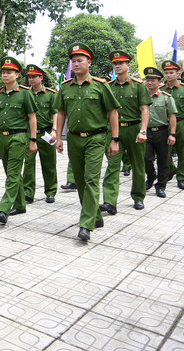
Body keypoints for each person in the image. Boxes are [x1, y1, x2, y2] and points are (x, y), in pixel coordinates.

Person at [55, 43, 120, 242]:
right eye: (73, 61)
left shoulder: (101, 86)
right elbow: (61, 113)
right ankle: (96, 216)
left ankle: (86, 225)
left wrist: (115, 139)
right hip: (74, 139)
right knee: (81, 181)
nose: (76, 64)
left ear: (89, 62)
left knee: (91, 179)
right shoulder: (66, 87)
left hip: (96, 138)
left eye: (80, 60)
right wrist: (58, 137)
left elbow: (112, 112)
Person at [0, 57, 38, 224]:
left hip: (19, 137)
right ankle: (20, 204)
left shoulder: (25, 94)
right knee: (11, 173)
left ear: (17, 74)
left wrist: (33, 140)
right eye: (3, 72)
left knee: (12, 174)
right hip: (2, 137)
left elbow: (32, 118)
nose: (5, 75)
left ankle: (4, 208)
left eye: (9, 72)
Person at [101, 50, 151, 213]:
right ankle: (109, 201)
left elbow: (144, 109)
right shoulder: (108, 87)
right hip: (114, 132)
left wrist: (143, 130)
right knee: (113, 165)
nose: (117, 66)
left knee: (138, 164)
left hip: (134, 129)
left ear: (128, 65)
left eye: (121, 63)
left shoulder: (138, 86)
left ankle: (138, 196)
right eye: (115, 63)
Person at [23, 64, 59, 204]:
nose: (31, 80)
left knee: (49, 164)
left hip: (46, 133)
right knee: (29, 165)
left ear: (41, 77)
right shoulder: (25, 93)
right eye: (29, 77)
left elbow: (55, 113)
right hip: (29, 134)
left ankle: (50, 191)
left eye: (34, 77)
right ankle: (28, 193)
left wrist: (54, 131)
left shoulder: (50, 94)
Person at [161, 61, 184, 190]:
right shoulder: (161, 90)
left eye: (171, 73)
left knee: (183, 151)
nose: (168, 75)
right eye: (166, 73)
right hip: (165, 124)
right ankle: (171, 169)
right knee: (165, 152)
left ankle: (181, 178)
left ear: (177, 74)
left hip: (182, 122)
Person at [142, 67, 177, 197]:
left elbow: (172, 116)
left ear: (159, 82)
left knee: (164, 161)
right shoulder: (141, 97)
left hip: (162, 132)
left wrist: (172, 134)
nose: (149, 82)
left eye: (152, 80)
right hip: (146, 132)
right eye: (148, 80)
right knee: (145, 158)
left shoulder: (166, 98)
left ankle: (161, 186)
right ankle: (151, 177)